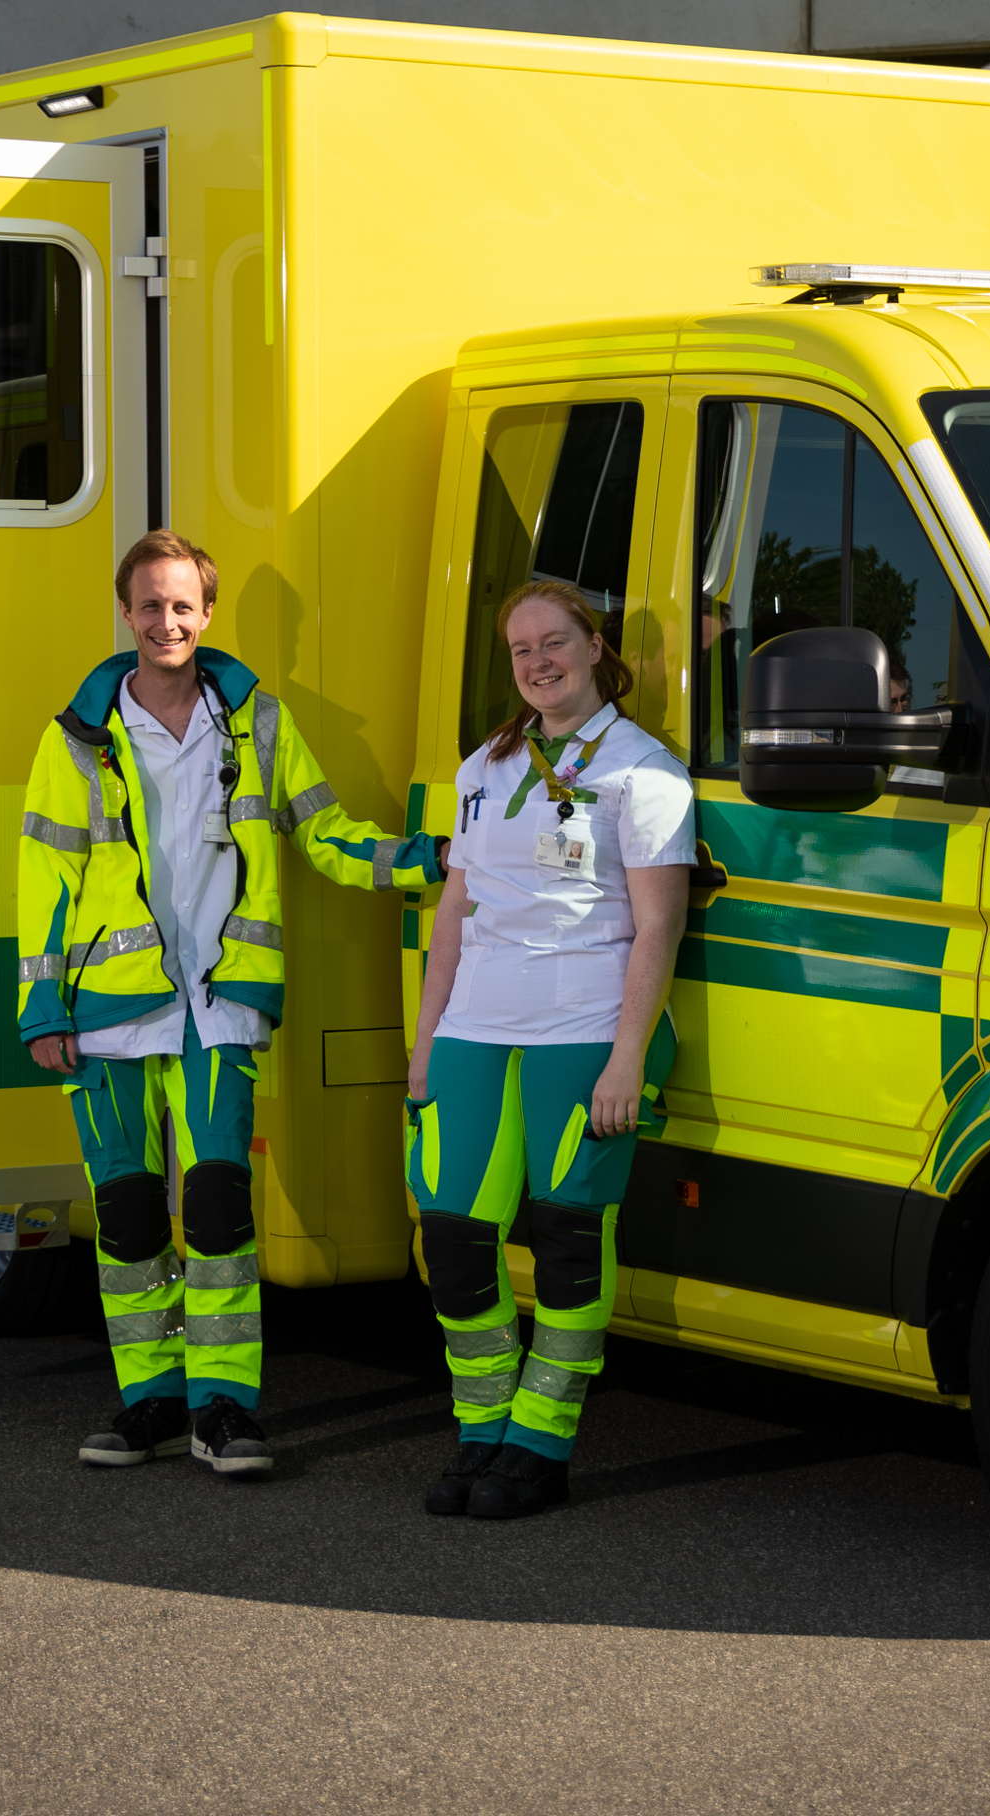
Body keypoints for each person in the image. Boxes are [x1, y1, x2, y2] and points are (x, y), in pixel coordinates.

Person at [21, 529, 445, 1479]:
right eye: (149, 604)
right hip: (105, 1011)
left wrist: (431, 861)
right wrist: (42, 1008)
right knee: (127, 1217)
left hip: (221, 1010)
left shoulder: (257, 721)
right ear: (124, 613)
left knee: (218, 1213)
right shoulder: (77, 736)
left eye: (183, 605)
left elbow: (325, 833)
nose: (166, 620)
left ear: (206, 615)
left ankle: (224, 1408)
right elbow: (44, 873)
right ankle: (148, 1404)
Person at [408, 578, 693, 1522]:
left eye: (554, 641)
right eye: (521, 648)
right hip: (473, 1033)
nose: (537, 661)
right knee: (452, 1242)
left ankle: (541, 1445)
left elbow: (657, 929)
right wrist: (424, 1046)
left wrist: (627, 1057)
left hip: (581, 1031)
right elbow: (453, 915)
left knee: (570, 1243)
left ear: (595, 644)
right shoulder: (482, 768)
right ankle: (481, 1430)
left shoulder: (644, 774)